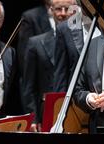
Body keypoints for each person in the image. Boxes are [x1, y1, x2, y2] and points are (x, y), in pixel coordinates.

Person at [23, 0, 76, 132]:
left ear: (75, 11)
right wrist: (33, 118)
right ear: (51, 11)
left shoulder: (83, 41)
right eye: (58, 9)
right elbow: (29, 86)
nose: (63, 14)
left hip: (77, 108)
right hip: (46, 108)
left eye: (67, 9)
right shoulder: (35, 43)